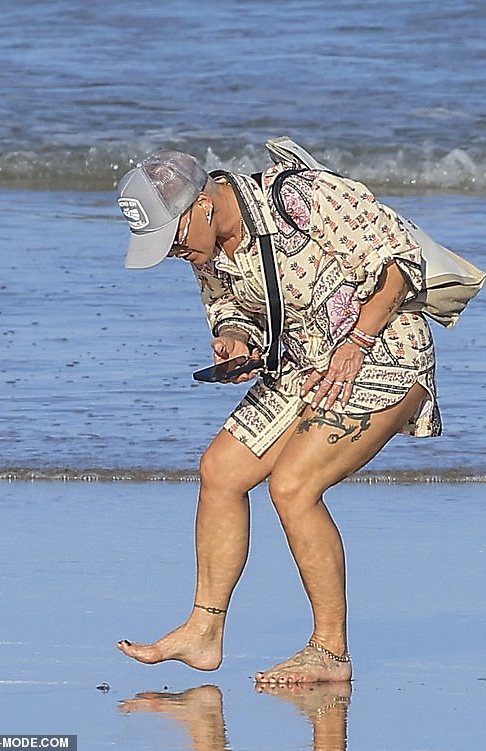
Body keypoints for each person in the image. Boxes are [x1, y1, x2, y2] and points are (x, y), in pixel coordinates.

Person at [115, 147, 441, 684]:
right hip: (300, 362)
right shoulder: (207, 246)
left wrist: (356, 340)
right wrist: (234, 338)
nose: (172, 253)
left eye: (171, 239)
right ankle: (204, 631)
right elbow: (227, 304)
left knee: (292, 486)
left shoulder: (301, 196)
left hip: (382, 349)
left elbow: (401, 265)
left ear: (201, 205)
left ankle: (330, 653)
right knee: (220, 471)